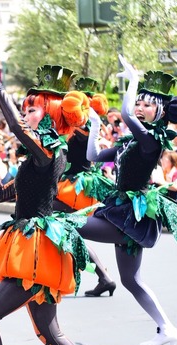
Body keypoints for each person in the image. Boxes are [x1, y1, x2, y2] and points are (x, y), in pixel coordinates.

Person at [0, 44, 105, 345]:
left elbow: (12, 125)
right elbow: (0, 196)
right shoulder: (37, 158)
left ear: (50, 114)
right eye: (26, 107)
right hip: (31, 247)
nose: (26, 113)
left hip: (36, 253)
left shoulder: (51, 151)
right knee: (50, 332)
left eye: (33, 108)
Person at [82, 56, 177, 345]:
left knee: (70, 223)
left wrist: (134, 78)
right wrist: (94, 124)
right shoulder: (130, 140)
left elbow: (126, 113)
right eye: (139, 101)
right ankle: (167, 328)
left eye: (147, 104)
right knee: (131, 280)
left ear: (161, 111)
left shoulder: (151, 141)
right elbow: (93, 156)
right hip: (119, 209)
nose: (140, 107)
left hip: (131, 216)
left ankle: (54, 277)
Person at [53, 76, 117, 298]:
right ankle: (102, 276)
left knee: (60, 225)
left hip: (75, 187)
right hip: (81, 184)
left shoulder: (80, 126)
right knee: (65, 229)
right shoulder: (88, 124)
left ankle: (94, 275)